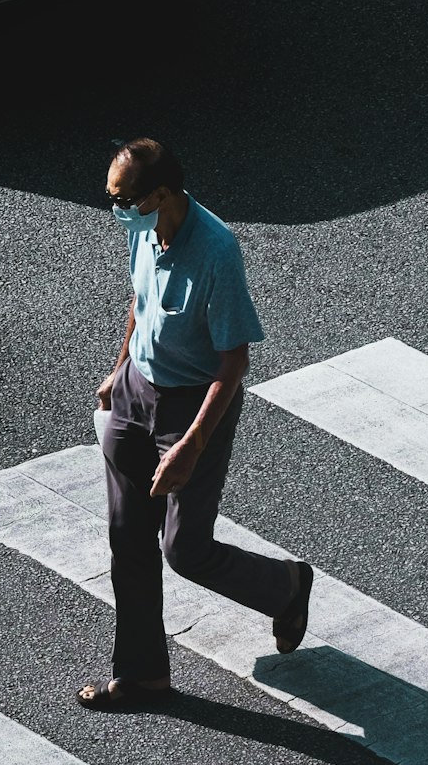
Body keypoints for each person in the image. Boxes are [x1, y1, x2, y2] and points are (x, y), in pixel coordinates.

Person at [76, 137, 313, 709]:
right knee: (128, 539)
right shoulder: (140, 226)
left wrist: (191, 443)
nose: (116, 210)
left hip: (192, 407)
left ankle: (286, 586)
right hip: (136, 391)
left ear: (159, 194)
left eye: (124, 199)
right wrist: (117, 372)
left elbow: (235, 359)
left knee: (185, 550)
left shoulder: (215, 251)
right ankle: (143, 675)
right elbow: (141, 305)